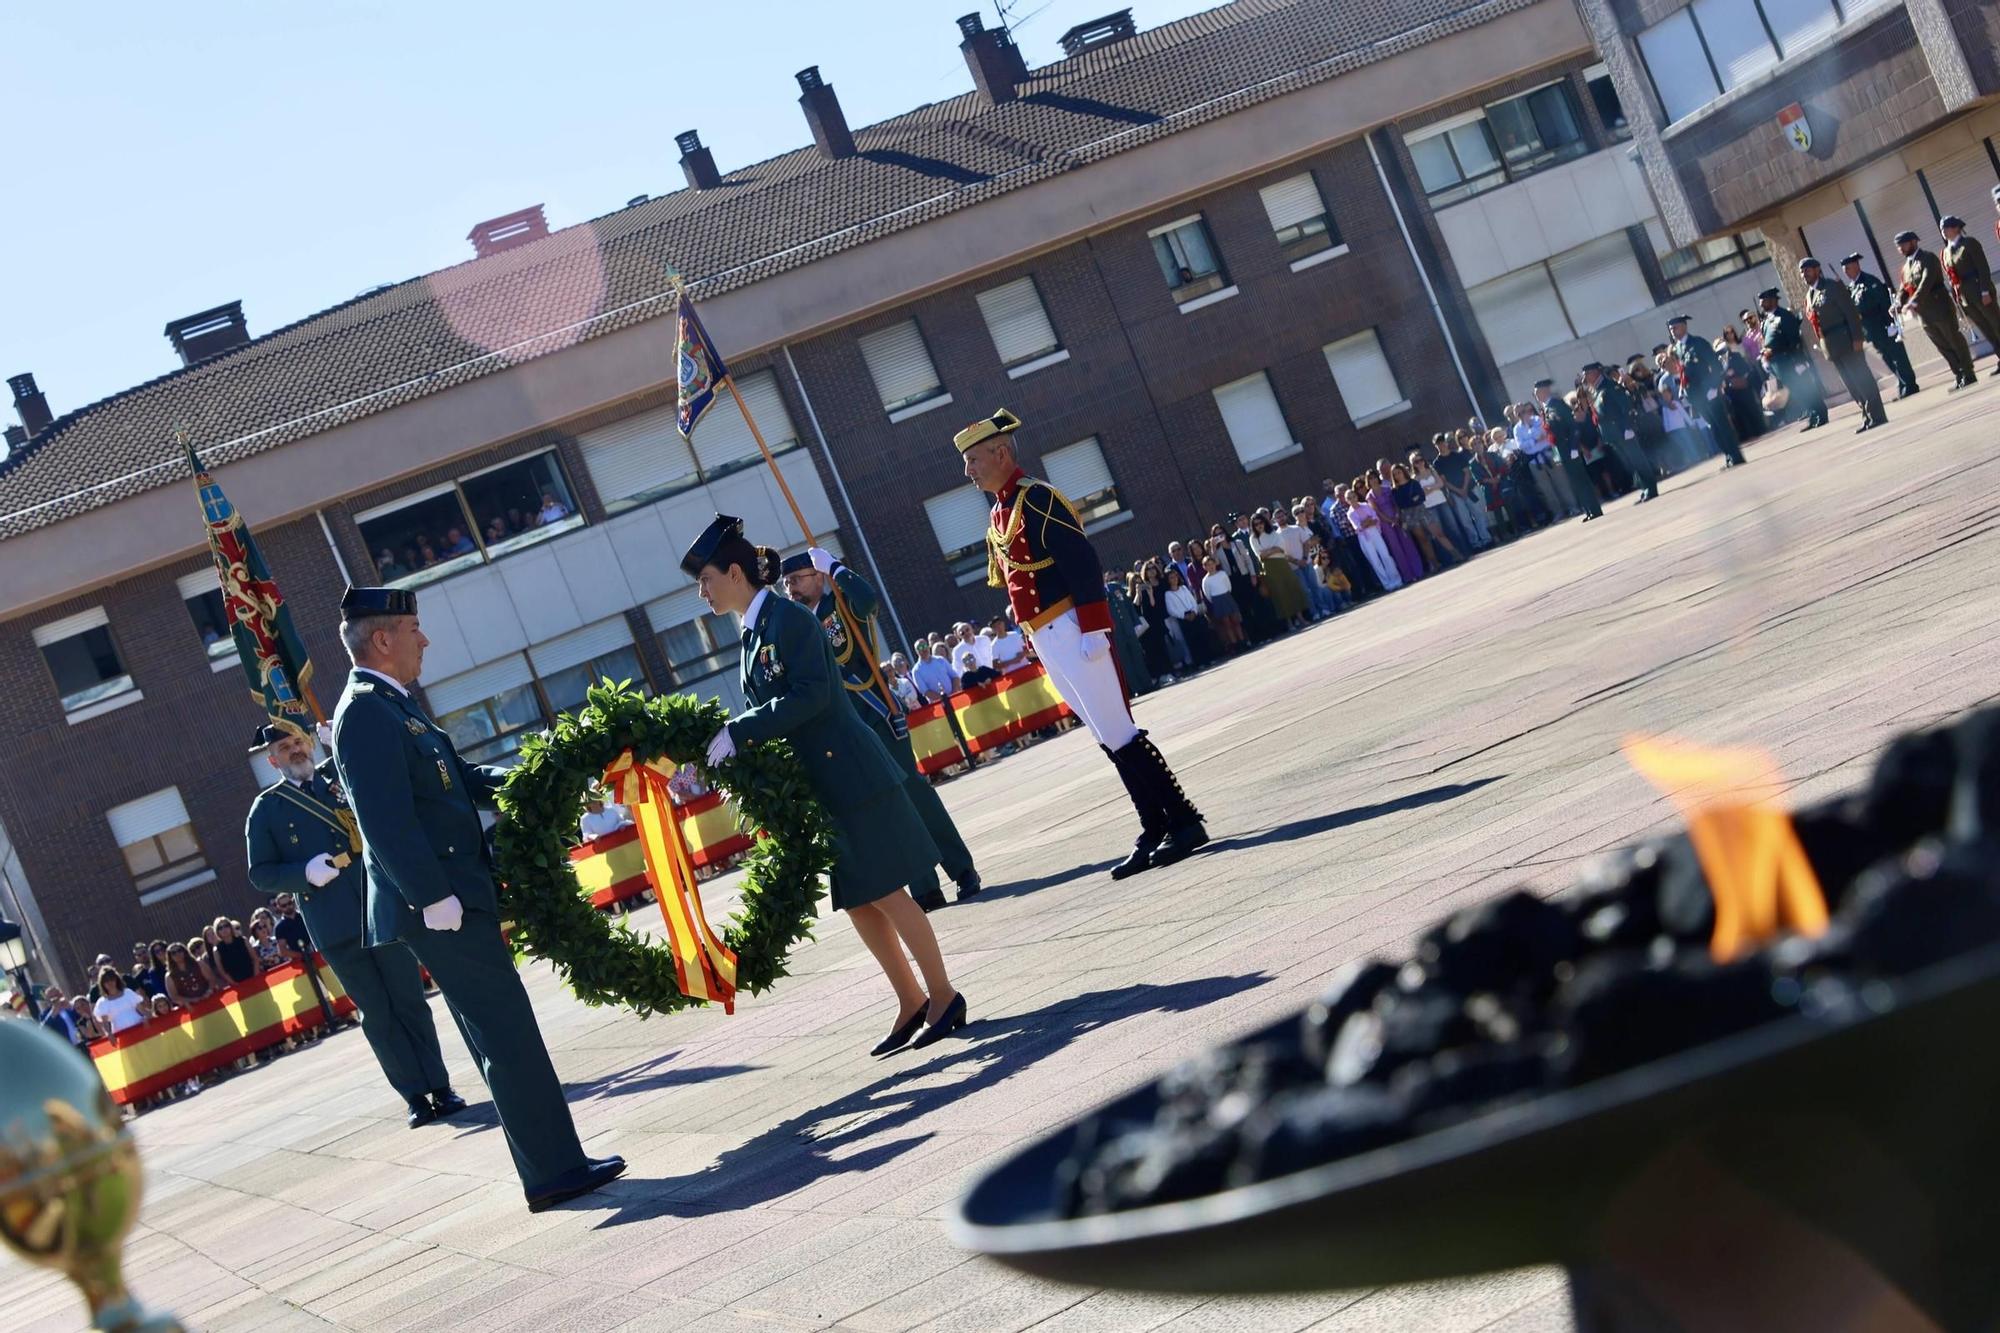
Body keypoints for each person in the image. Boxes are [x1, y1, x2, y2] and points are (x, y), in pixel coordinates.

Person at [331, 585, 624, 1211]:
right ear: (383, 639)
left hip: (451, 897)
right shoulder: (364, 712)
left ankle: (555, 1164)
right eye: (415, 628)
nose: (425, 640)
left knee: (505, 1031)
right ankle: (553, 1171)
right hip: (438, 905)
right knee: (507, 1031)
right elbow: (383, 821)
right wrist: (433, 897)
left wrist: (549, 779)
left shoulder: (393, 706)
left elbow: (459, 783)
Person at [687, 517, 966, 1055]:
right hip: (822, 785)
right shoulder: (752, 634)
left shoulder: (789, 620)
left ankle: (943, 995)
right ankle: (909, 1000)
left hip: (849, 774)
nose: (702, 591)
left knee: (886, 888)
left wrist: (741, 732)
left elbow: (812, 695)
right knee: (859, 901)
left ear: (736, 572)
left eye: (706, 579)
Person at [958, 409, 1208, 878]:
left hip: (1074, 628)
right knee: (1104, 736)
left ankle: (1184, 820)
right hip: (1047, 636)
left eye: (973, 460)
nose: (967, 471)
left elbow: (1081, 563)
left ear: (1001, 452)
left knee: (1118, 731)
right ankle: (1154, 825)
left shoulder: (1037, 499)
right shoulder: (999, 511)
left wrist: (1094, 627)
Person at [779, 546, 982, 910]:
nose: (790, 588)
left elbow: (868, 600)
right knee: (887, 808)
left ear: (817, 578)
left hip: (873, 712)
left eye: (796, 579)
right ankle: (924, 887)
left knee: (912, 792)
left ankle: (961, 868)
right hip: (840, 728)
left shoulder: (837, 605)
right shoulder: (795, 627)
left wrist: (836, 568)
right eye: (786, 583)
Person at [1799, 257, 1886, 434]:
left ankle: (1877, 415)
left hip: (1847, 339)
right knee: (1851, 384)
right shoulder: (1810, 294)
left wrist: (1857, 339)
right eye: (1802, 272)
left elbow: (1852, 314)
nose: (1804, 274)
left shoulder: (1832, 287)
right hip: (1831, 345)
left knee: (1863, 379)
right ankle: (1867, 415)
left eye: (1807, 270)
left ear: (1817, 269)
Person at [1895, 229, 1978, 391]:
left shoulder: (1928, 258)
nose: (1901, 249)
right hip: (1923, 314)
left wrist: (1913, 301)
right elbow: (1903, 289)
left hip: (1939, 306)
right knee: (1942, 345)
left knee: (1954, 340)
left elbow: (1927, 281)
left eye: (1903, 244)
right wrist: (1897, 303)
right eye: (1898, 246)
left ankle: (1968, 373)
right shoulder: (1906, 267)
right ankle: (1959, 374)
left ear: (1914, 242)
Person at [1665, 315, 1747, 466]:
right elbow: (1683, 371)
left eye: (1675, 327)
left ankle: (1736, 456)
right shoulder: (1678, 348)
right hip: (1696, 395)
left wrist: (1713, 387)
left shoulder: (1698, 343)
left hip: (1709, 391)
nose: (1673, 331)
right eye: (1671, 329)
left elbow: (1715, 366)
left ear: (1684, 326)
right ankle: (1728, 454)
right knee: (1713, 427)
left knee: (1722, 424)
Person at [1843, 252, 1919, 399]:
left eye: (1848, 268)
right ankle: (1902, 383)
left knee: (1898, 357)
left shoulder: (1870, 281)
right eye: (1845, 269)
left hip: (1883, 326)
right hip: (1871, 330)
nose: (1846, 272)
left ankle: (1910, 384)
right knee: (1887, 358)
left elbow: (1884, 303)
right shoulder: (1852, 287)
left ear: (1856, 266)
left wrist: (1891, 324)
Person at [1583, 362, 1656, 504]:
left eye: (1587, 374)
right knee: (1630, 462)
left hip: (1622, 431)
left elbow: (1625, 406)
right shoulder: (1597, 389)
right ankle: (1644, 488)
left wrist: (1627, 428)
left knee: (1637, 459)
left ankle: (1651, 488)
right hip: (1614, 434)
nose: (1585, 377)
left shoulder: (1610, 386)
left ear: (1595, 373)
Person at [1757, 287, 1829, 429]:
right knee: (1796, 392)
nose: (1761, 304)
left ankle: (1821, 414)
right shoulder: (1766, 321)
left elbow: (1794, 341)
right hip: (1778, 364)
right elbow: (1767, 342)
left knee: (1805, 388)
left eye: (1764, 301)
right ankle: (1813, 416)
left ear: (1772, 300)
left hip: (1789, 361)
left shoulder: (1784, 316)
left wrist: (1798, 362)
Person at [1940, 215, 2000, 378]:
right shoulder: (1946, 252)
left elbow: (1982, 268)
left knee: (1996, 324)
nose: (1944, 231)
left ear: (1957, 228)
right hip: (1966, 297)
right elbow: (1951, 277)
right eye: (1942, 229)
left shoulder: (1969, 243)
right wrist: (1958, 299)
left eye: (1947, 227)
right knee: (1986, 329)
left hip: (1979, 290)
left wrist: (1985, 291)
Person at [1534, 379, 1601, 520]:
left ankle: (1594, 509)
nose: (1536, 395)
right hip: (1563, 450)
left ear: (1544, 391)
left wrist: (1574, 447)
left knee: (1581, 479)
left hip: (1570, 448)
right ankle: (1589, 510)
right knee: (1576, 481)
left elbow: (1573, 427)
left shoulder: (1557, 405)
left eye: (1537, 392)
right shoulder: (1546, 408)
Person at [92, 967, 149, 1035]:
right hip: (121, 1034)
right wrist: (109, 1034)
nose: (110, 982)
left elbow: (142, 1010)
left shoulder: (128, 993)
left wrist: (146, 1018)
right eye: (106, 980)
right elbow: (105, 1023)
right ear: (102, 984)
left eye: (112, 979)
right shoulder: (102, 1002)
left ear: (117, 979)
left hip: (140, 1028)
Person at [164, 941, 213, 1008]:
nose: (177, 954)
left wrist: (209, 991)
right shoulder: (169, 976)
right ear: (170, 957)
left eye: (179, 950)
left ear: (185, 951)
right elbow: (174, 996)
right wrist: (191, 1000)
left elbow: (211, 979)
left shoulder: (198, 964)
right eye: (173, 953)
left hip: (210, 999)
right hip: (191, 1007)